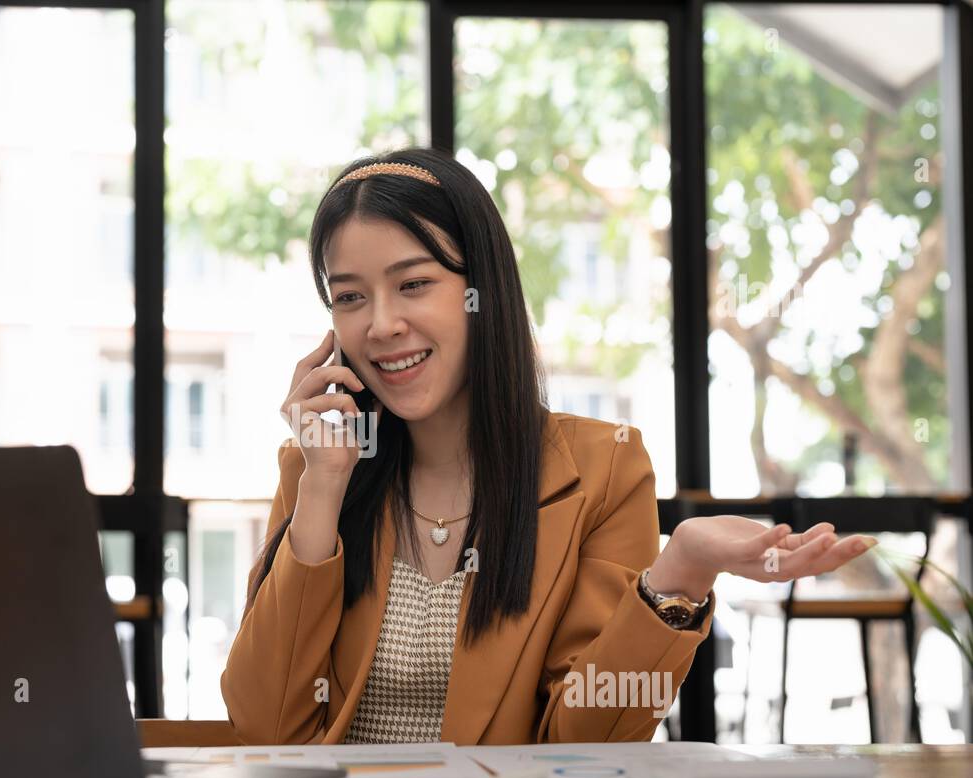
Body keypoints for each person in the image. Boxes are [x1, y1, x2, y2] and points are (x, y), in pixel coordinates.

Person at [220, 147, 874, 745]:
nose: (382, 324)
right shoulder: (317, 473)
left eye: (414, 284)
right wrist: (325, 483)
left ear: (483, 293)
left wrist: (680, 573)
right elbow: (265, 727)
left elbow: (585, 743)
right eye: (350, 297)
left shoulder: (601, 469)